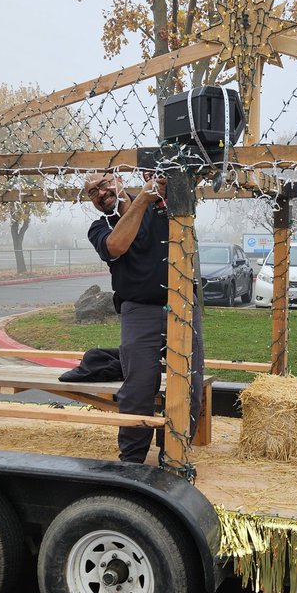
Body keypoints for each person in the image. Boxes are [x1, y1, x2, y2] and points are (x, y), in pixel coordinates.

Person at [84, 171, 205, 466]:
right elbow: (116, 246)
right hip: (137, 310)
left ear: (120, 179)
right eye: (91, 192)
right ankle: (132, 461)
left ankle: (174, 455)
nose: (100, 193)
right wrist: (142, 198)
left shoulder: (160, 205)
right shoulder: (101, 227)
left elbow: (192, 188)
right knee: (138, 387)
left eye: (104, 184)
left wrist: (167, 182)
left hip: (182, 305)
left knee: (190, 383)